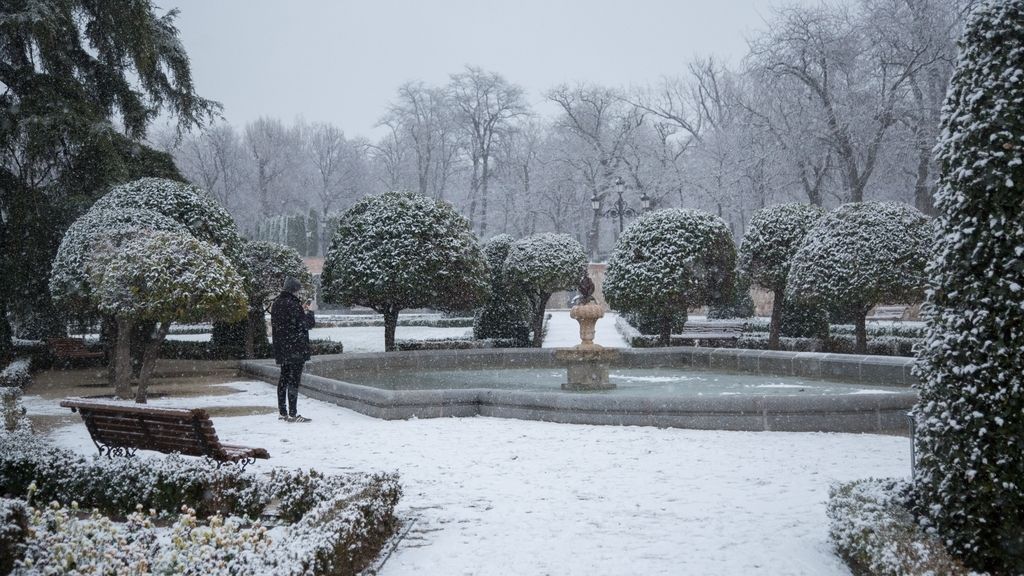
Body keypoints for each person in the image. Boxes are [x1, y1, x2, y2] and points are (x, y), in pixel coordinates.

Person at [270, 276, 315, 422]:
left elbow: (285, 324)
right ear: (294, 290)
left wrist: (301, 312)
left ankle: (282, 412)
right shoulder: (293, 304)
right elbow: (306, 325)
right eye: (298, 290)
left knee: (283, 378)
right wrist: (310, 312)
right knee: (294, 381)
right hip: (295, 348)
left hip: (282, 348)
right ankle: (293, 414)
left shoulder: (276, 303)